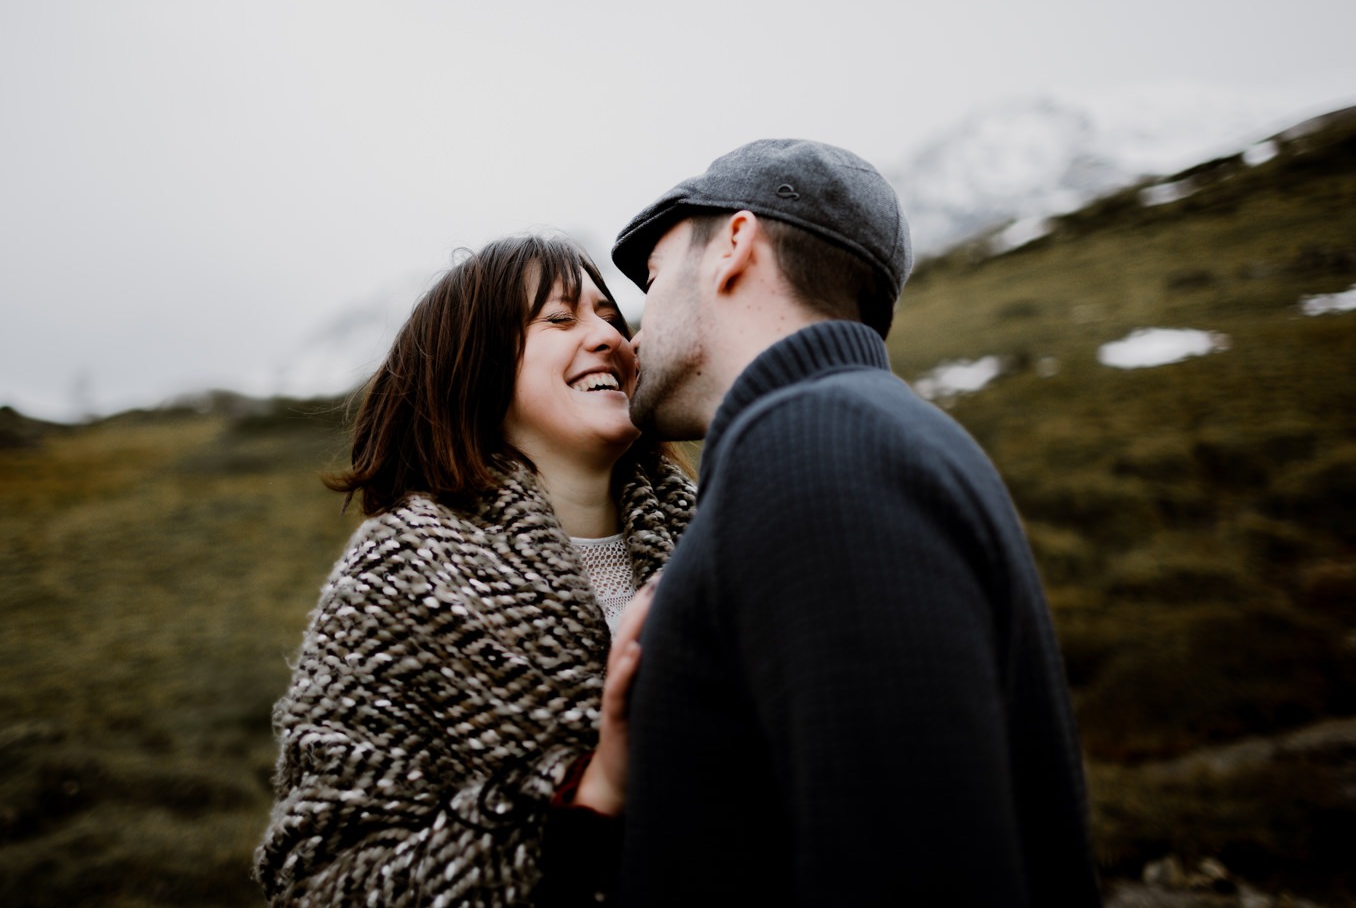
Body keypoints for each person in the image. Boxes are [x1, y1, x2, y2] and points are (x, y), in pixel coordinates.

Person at [609, 139, 1101, 905]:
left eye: (652, 277)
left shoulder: (817, 450)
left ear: (734, 244)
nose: (631, 332)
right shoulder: (852, 435)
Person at [253, 234, 696, 907]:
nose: (609, 337)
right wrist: (594, 791)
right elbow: (321, 880)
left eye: (611, 315)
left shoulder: (719, 535)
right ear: (476, 366)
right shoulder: (401, 573)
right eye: (560, 317)